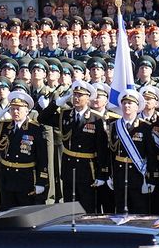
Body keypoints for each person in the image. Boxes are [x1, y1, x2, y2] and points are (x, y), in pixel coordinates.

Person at [38, 80, 109, 212]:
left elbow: (102, 149)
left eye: (80, 95)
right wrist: (57, 103)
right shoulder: (65, 115)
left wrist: (101, 174)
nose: (76, 98)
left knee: (87, 206)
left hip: (87, 168)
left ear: (88, 98)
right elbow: (42, 118)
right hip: (69, 166)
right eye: (74, 95)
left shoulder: (96, 119)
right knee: (69, 207)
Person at [0, 90, 48, 211]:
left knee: (25, 211)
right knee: (7, 211)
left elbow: (42, 157)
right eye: (12, 108)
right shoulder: (4, 126)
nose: (15, 112)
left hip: (26, 177)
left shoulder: (35, 129)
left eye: (18, 109)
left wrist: (42, 181)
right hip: (7, 176)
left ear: (26, 111)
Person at [107, 89, 159, 214]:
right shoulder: (114, 126)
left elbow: (151, 154)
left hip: (138, 175)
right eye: (124, 103)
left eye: (130, 103)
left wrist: (151, 178)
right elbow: (110, 153)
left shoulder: (145, 127)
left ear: (137, 107)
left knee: (139, 210)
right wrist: (109, 174)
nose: (126, 106)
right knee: (120, 210)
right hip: (119, 174)